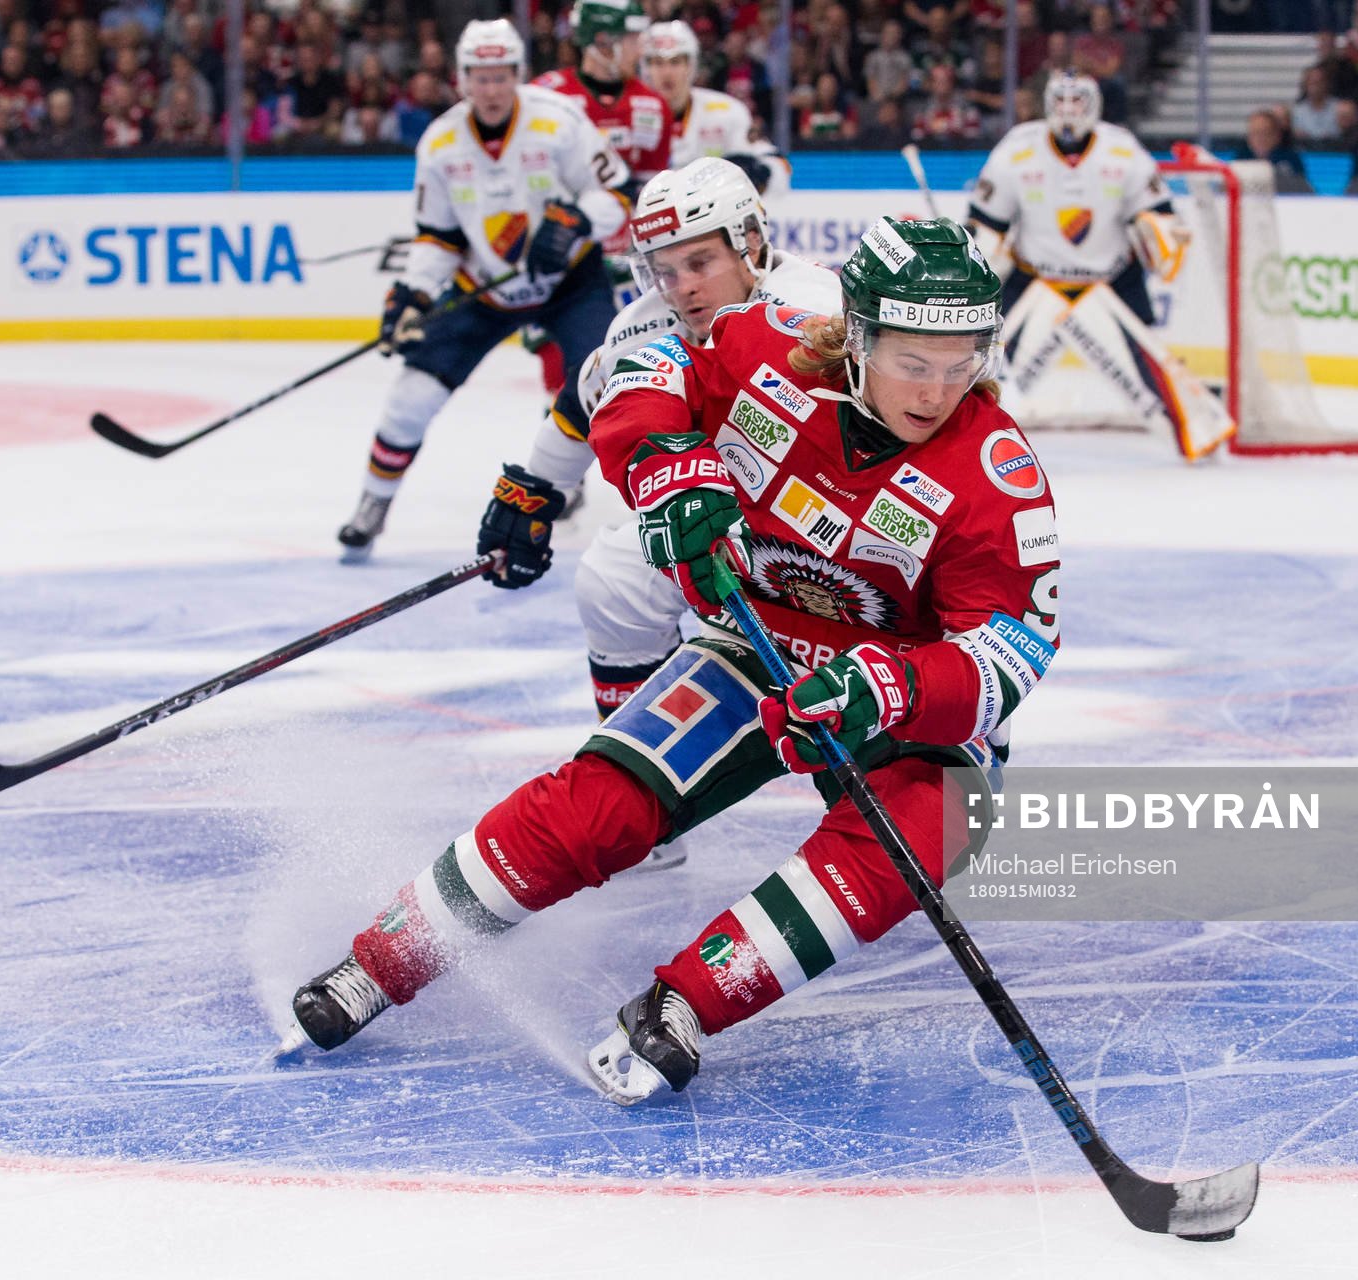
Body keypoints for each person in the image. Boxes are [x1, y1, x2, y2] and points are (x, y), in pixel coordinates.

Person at [288, 217, 1061, 1113]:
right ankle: (383, 959)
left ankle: (686, 1002)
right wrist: (662, 464)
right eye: (909, 360)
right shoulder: (768, 352)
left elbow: (1009, 648)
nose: (935, 390)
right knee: (600, 805)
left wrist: (887, 688)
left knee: (929, 835)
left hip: (893, 697)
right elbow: (642, 373)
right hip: (750, 648)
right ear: (855, 336)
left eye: (959, 360)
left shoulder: (997, 476)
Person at [480, 157, 841, 719]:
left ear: (749, 241)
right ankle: (635, 759)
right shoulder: (644, 325)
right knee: (614, 578)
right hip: (730, 521)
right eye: (664, 271)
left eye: (700, 262)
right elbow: (586, 402)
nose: (683, 289)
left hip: (845, 528)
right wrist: (534, 492)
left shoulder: (817, 310)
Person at [333, 19, 631, 561]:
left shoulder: (559, 121)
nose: (491, 89)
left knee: (604, 384)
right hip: (486, 290)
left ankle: (635, 500)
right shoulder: (442, 144)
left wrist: (576, 222)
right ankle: (372, 505)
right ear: (461, 79)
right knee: (411, 396)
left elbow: (618, 192)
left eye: (500, 76)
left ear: (517, 75)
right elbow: (440, 237)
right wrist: (413, 292)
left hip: (570, 282)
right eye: (480, 77)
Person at [527, 0, 676, 390]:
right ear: (602, 42)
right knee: (565, 383)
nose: (639, 49)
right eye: (630, 39)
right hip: (565, 265)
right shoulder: (543, 99)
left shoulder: (653, 106)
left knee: (629, 377)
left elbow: (652, 196)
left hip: (628, 269)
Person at [966, 71, 1183, 328]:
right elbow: (985, 223)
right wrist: (980, 262)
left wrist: (1162, 237)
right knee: (994, 359)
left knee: (1149, 363)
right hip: (1034, 278)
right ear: (1047, 102)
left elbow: (1160, 214)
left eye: (1077, 100)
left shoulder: (1123, 149)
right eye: (1060, 100)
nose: (1067, 109)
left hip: (1113, 277)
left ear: (1094, 103)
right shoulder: (1016, 148)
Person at [641, 20, 790, 197]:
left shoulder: (727, 111)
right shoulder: (628, 113)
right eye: (658, 63)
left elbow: (779, 168)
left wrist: (757, 173)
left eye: (675, 62)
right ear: (646, 68)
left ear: (691, 65)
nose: (666, 72)